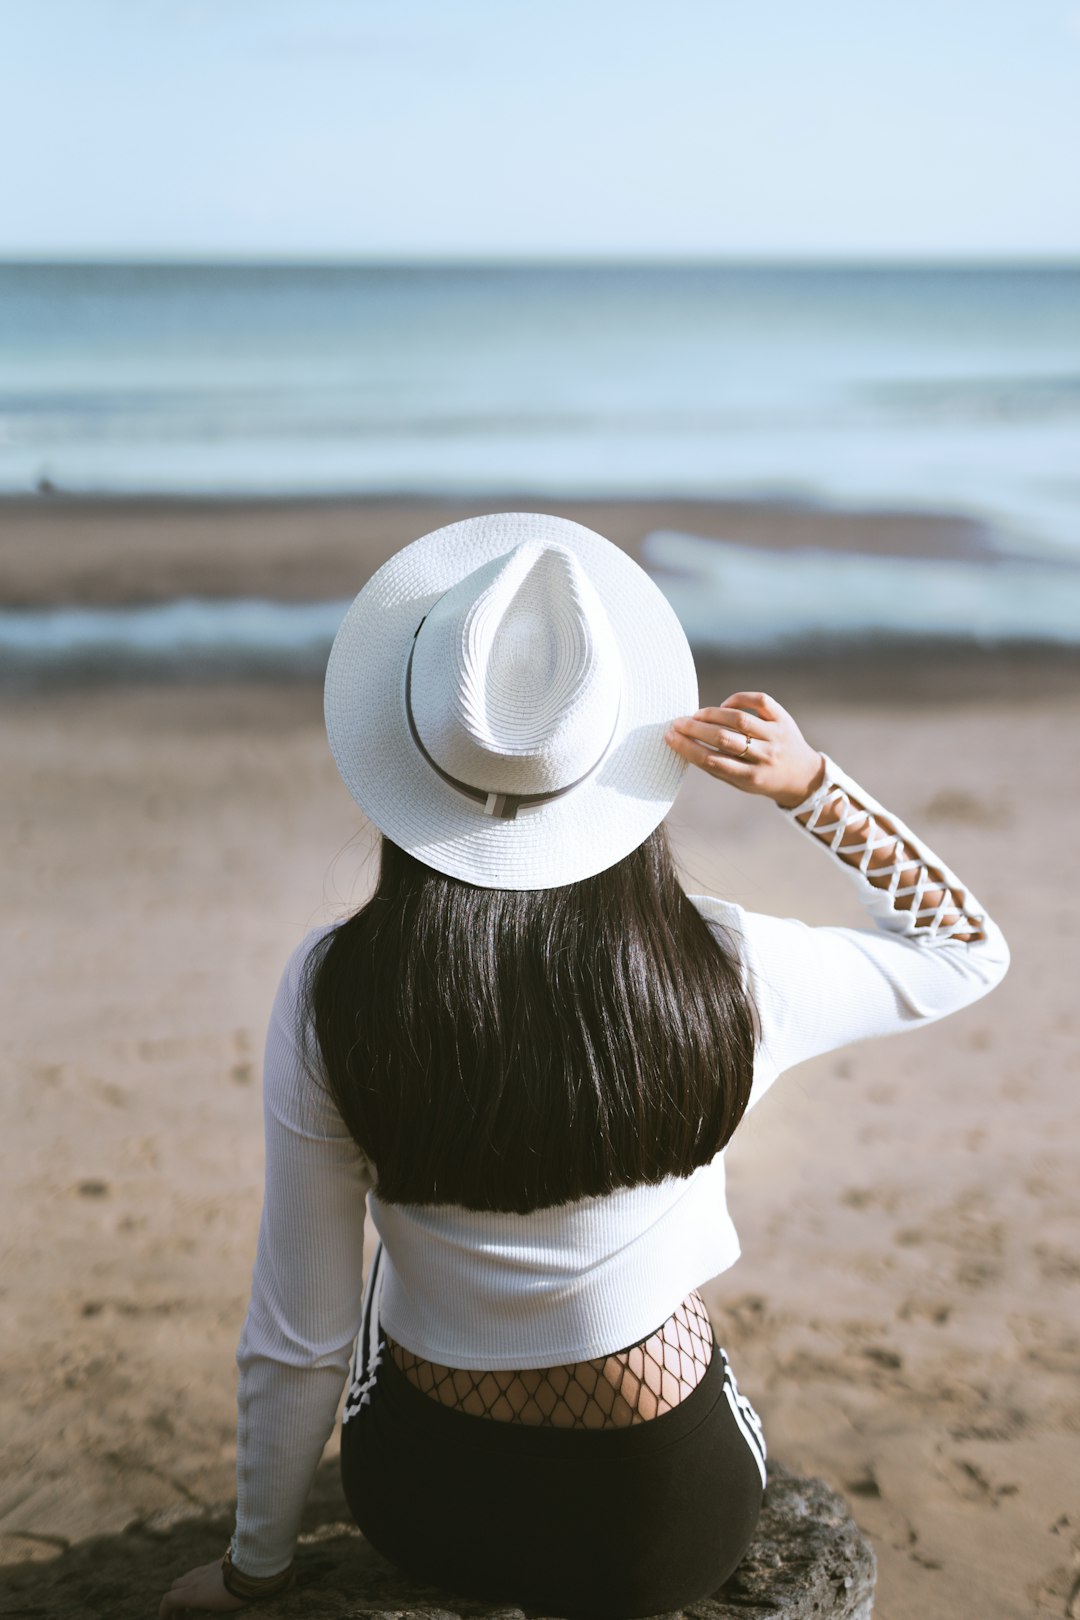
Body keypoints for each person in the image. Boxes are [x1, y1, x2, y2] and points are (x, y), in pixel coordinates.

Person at [159, 512, 1010, 1618]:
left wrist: (252, 1574)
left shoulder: (337, 988)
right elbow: (963, 951)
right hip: (669, 1526)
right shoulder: (728, 966)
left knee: (367, 1280)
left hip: (427, 1511)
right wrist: (812, 790)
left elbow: (295, 1336)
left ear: (411, 754)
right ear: (618, 759)